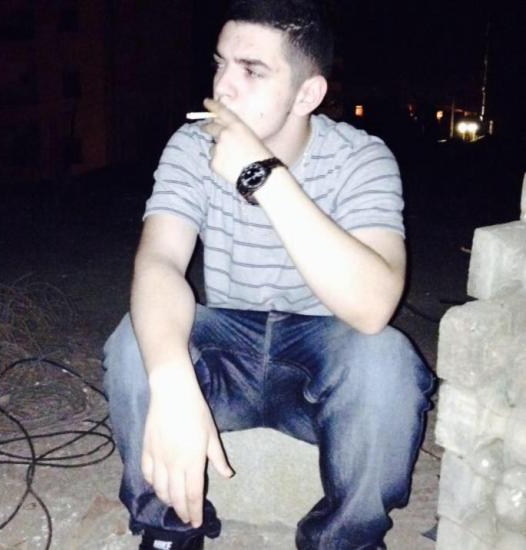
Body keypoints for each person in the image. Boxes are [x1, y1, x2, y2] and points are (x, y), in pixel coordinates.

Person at [103, 1, 435, 548]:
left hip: (321, 367)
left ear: (307, 95)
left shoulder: (360, 158)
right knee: (135, 342)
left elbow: (374, 306)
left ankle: (345, 539)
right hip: (225, 359)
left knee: (388, 361)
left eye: (252, 71)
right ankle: (167, 529)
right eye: (220, 64)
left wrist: (261, 176)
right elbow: (159, 262)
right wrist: (171, 378)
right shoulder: (191, 146)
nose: (223, 88)